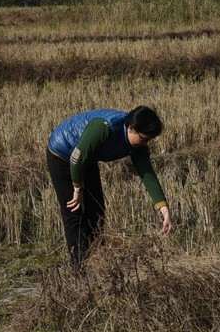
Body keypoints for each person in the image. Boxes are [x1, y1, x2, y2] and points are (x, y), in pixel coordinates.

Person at [47, 106, 173, 265]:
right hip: (63, 155)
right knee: (75, 213)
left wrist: (164, 209)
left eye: (149, 140)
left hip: (88, 158)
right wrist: (78, 189)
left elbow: (146, 172)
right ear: (131, 129)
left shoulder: (139, 143)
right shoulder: (105, 128)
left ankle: (98, 263)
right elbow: (76, 160)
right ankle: (80, 268)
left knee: (97, 212)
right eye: (144, 139)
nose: (145, 143)